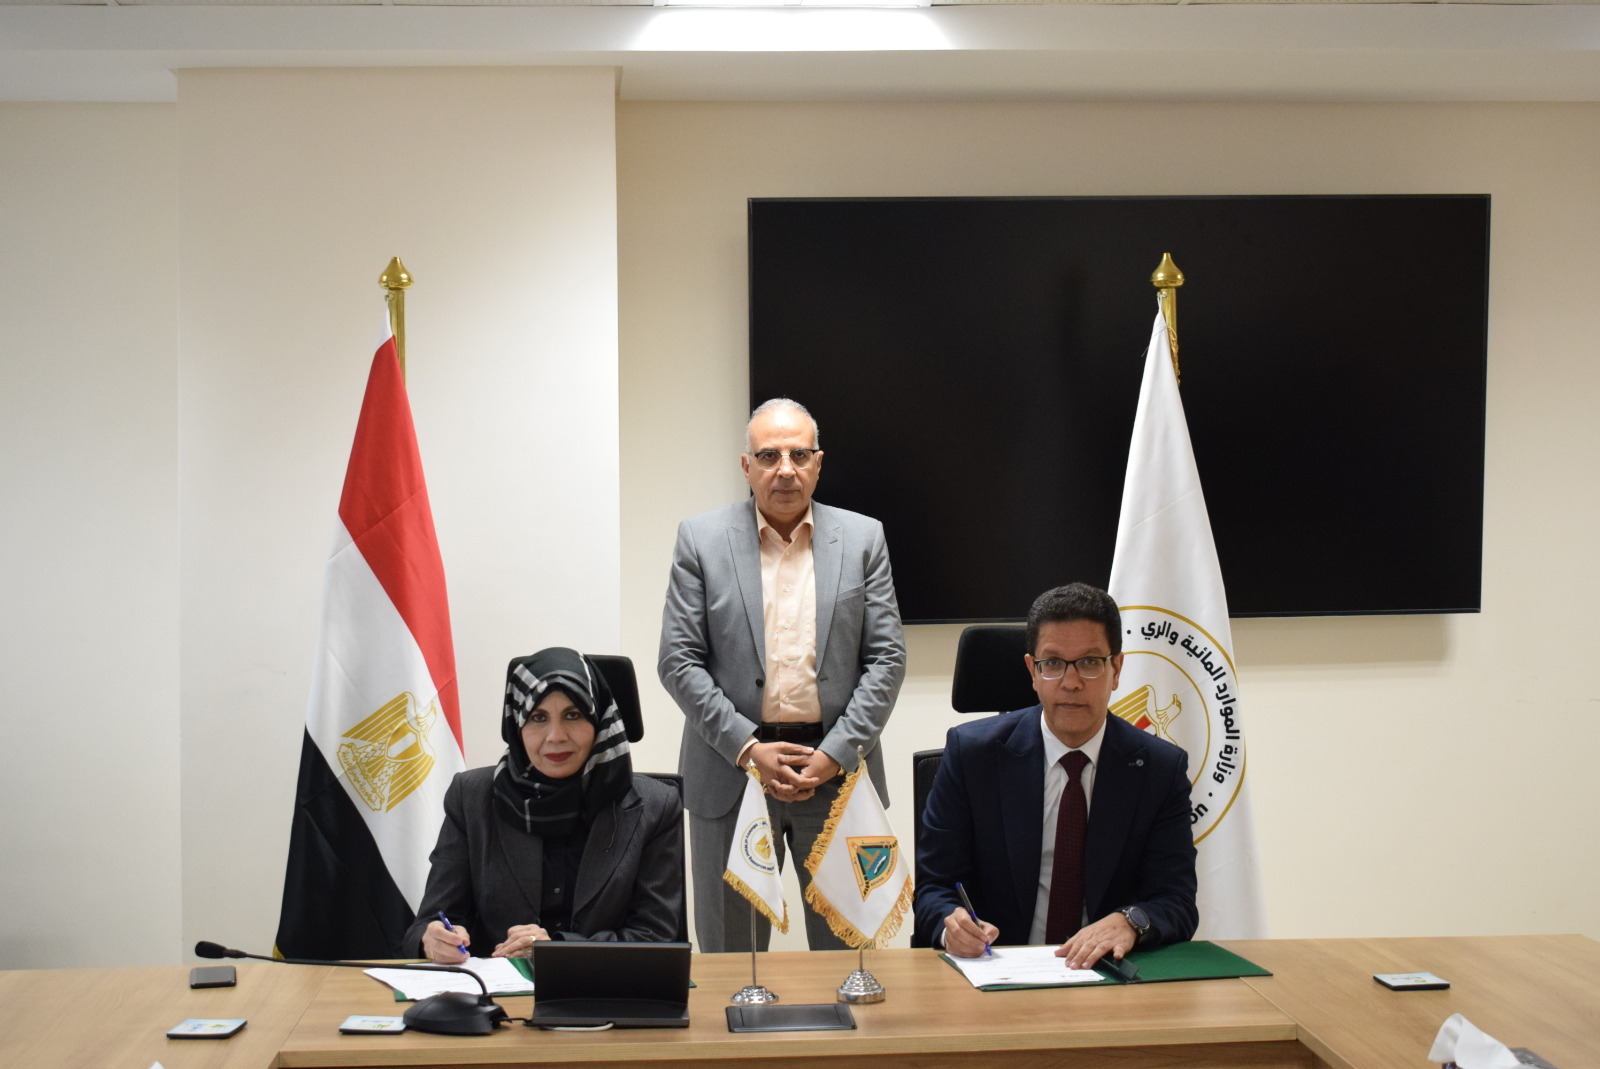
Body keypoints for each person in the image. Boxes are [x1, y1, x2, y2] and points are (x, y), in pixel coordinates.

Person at [658, 397, 906, 951]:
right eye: (769, 456)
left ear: (818, 463)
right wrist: (748, 749)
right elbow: (678, 659)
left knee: (849, 962)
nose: (785, 469)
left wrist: (833, 754)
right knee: (732, 960)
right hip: (732, 775)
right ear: (746, 466)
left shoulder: (863, 539)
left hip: (836, 775)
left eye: (799, 455)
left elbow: (887, 659)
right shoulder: (701, 540)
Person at [915, 582, 1198, 969]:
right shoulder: (972, 755)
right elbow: (934, 886)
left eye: (1090, 662)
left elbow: (1177, 901)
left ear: (1116, 669)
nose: (1071, 682)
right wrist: (953, 928)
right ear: (1032, 671)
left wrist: (1131, 922)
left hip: (1105, 974)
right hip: (997, 972)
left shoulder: (1159, 769)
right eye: (1052, 663)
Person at [405, 647, 683, 962]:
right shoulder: (471, 797)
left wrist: (558, 950)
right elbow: (429, 922)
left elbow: (656, 937)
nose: (555, 736)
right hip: (497, 988)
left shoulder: (656, 806)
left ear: (600, 720)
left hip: (603, 985)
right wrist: (434, 939)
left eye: (573, 715)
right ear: (517, 725)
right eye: (538, 717)